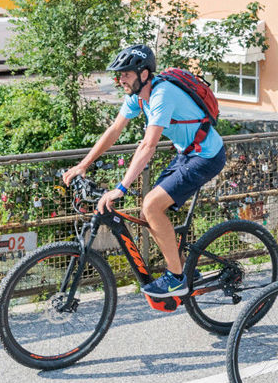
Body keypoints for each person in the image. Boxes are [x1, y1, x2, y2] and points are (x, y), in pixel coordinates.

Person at [62, 44, 227, 303]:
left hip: (207, 156)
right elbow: (114, 130)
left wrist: (121, 188)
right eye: (119, 75)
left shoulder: (162, 95)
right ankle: (185, 272)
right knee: (147, 212)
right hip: (187, 153)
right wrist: (84, 164)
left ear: (144, 74)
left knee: (151, 206)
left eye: (125, 74)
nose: (120, 80)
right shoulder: (138, 96)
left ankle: (175, 279)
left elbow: (148, 146)